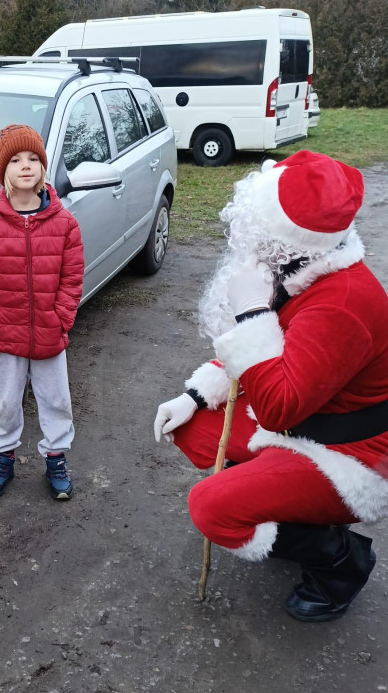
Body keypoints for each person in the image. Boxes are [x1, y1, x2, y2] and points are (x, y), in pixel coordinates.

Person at [154, 150, 388, 622]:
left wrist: (252, 314)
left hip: (351, 453)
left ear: (287, 236)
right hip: (306, 422)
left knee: (211, 509)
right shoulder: (301, 267)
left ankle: (341, 561)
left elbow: (278, 407)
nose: (248, 236)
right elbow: (268, 358)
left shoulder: (341, 302)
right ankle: (277, 501)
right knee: (192, 428)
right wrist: (194, 395)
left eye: (258, 226)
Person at [0, 124, 84, 499]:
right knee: (5, 402)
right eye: (15, 160)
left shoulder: (64, 224)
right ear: (4, 171)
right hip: (4, 337)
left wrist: (61, 318)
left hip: (49, 334)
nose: (25, 166)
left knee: (56, 400)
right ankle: (4, 457)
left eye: (33, 158)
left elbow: (72, 277)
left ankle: (56, 457)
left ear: (43, 166)